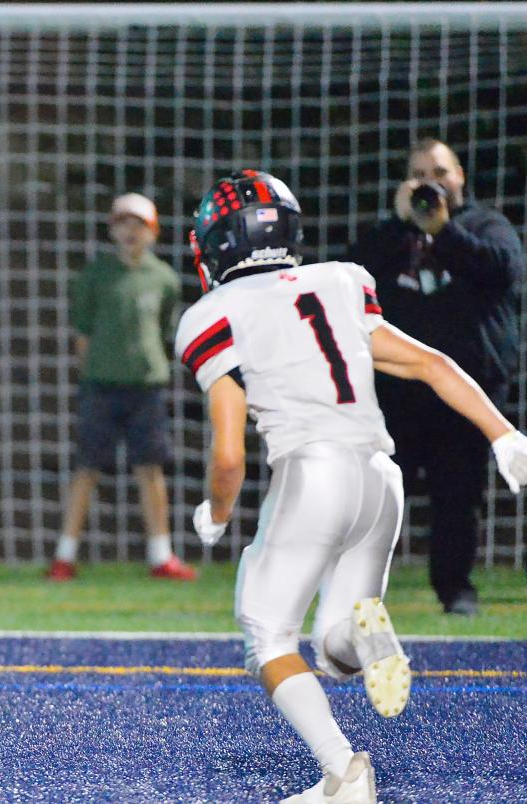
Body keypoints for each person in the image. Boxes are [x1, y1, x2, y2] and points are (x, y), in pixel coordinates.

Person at [175, 170, 527, 803]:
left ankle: (344, 774)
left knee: (266, 634)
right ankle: (366, 638)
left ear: (220, 243)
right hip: (379, 478)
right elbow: (432, 364)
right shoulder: (340, 280)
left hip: (314, 473)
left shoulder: (213, 312)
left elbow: (229, 453)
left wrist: (217, 512)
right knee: (333, 650)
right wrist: (504, 434)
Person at [349, 138, 524, 615]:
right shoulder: (390, 235)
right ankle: (358, 593)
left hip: (467, 390)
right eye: (420, 173)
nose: (432, 181)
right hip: (396, 387)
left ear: (461, 177)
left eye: (441, 170)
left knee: (458, 495)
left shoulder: (486, 225)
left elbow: (502, 272)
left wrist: (442, 230)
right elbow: (351, 280)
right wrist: (400, 222)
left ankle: (456, 591)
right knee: (379, 492)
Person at [47, 193, 196, 582]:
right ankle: (64, 556)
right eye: (124, 223)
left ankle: (161, 555)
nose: (131, 231)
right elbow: (83, 333)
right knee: (87, 469)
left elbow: (165, 331)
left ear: (152, 232)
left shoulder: (163, 278)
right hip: (100, 387)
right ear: (113, 229)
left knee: (151, 469)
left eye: (139, 224)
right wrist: (95, 368)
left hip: (146, 389)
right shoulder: (95, 275)